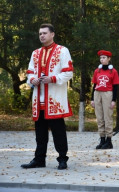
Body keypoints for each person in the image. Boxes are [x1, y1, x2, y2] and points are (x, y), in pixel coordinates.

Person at [22, 23, 73, 170]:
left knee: (59, 133)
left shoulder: (62, 51)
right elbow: (30, 72)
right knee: (40, 134)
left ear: (52, 34)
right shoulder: (35, 53)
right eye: (40, 34)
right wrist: (33, 80)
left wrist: (53, 78)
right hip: (39, 100)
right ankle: (39, 159)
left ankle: (62, 159)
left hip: (54, 100)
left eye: (44, 33)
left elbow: (68, 72)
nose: (42, 36)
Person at [91, 50, 119, 149]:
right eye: (100, 58)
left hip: (108, 94)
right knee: (99, 118)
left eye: (104, 58)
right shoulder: (97, 71)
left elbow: (116, 87)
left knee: (107, 117)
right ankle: (102, 139)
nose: (102, 59)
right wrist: (92, 99)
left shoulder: (113, 71)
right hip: (97, 93)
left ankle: (109, 141)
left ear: (109, 59)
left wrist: (113, 100)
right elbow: (94, 85)